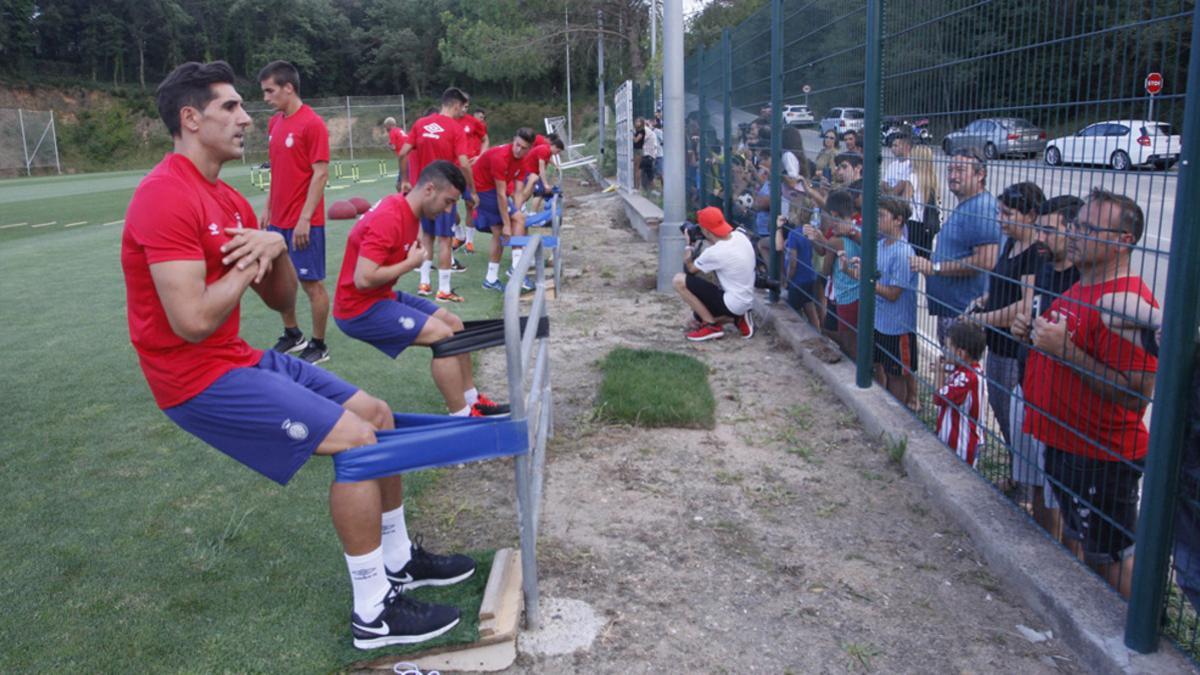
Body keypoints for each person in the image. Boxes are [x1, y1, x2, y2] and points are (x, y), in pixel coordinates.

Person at [124, 61, 473, 651]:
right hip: (193, 378)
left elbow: (279, 297)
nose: (245, 118)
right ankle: (373, 611)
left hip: (235, 356)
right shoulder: (164, 196)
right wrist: (251, 258)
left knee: (379, 415)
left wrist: (275, 246)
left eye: (245, 105)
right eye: (231, 107)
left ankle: (399, 559)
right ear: (190, 118)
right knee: (356, 441)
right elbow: (191, 322)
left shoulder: (230, 200)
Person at [1020, 188, 1159, 598]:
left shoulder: (1127, 302)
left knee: (1112, 556)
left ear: (1122, 241)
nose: (1076, 234)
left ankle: (1136, 640)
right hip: (1069, 447)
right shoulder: (1083, 287)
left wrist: (1064, 350)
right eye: (1077, 224)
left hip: (1099, 457)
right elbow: (1062, 346)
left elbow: (1136, 396)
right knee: (1093, 550)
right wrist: (1033, 334)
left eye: (1089, 228)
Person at [333, 160, 509, 418]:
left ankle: (473, 401)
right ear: (429, 189)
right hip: (358, 309)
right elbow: (363, 279)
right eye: (448, 201)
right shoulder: (389, 217)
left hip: (382, 296)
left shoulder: (409, 209)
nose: (449, 210)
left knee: (454, 323)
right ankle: (461, 417)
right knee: (442, 336)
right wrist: (409, 264)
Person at [1008, 194, 1082, 539]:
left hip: (1062, 406)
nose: (1040, 238)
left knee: (1062, 502)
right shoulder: (1044, 267)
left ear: (1075, 231)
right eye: (1039, 229)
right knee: (1037, 486)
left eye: (1049, 231)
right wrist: (1021, 326)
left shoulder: (1083, 282)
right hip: (1029, 388)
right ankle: (1044, 545)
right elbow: (1029, 312)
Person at [259, 60, 332, 364]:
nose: (266, 97)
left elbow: (320, 174)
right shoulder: (275, 123)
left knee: (310, 284)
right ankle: (293, 335)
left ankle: (319, 344)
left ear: (289, 88)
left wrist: (304, 218)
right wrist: (267, 208)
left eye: (270, 90)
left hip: (305, 222)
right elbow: (278, 171)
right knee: (281, 283)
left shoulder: (312, 123)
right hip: (278, 220)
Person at [968, 182, 1047, 445]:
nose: (1000, 220)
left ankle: (1021, 480)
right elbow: (1004, 284)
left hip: (1014, 351)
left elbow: (1025, 305)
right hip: (997, 344)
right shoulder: (1012, 243)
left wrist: (981, 319)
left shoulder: (1035, 253)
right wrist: (985, 299)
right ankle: (1014, 474)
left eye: (1008, 214)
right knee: (1001, 411)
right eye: (999, 212)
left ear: (1031, 216)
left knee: (1017, 421)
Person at [910, 149, 1001, 344]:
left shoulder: (982, 208)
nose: (952, 176)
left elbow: (986, 260)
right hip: (952, 310)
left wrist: (935, 268)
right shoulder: (968, 204)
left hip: (963, 313)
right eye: (950, 170)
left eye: (960, 170)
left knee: (958, 368)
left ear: (980, 175)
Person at [398, 88, 478, 303]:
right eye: (463, 107)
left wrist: (404, 179)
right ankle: (444, 289)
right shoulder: (456, 129)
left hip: (424, 192)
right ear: (455, 105)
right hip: (444, 195)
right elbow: (463, 162)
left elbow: (403, 152)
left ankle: (424, 283)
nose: (464, 111)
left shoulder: (420, 124)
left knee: (426, 238)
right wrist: (471, 189)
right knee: (445, 240)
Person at [846, 197, 918, 405]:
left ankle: (897, 413)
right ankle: (883, 404)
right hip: (880, 322)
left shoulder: (903, 252)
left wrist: (866, 278)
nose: (876, 220)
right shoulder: (881, 245)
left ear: (898, 220)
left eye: (881, 216)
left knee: (896, 375)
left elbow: (893, 293)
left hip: (897, 327)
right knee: (881, 367)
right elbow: (877, 274)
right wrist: (862, 267)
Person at [674, 206, 756, 341]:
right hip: (745, 299)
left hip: (732, 302)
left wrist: (689, 245)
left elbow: (689, 270)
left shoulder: (714, 252)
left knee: (678, 280)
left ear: (705, 230)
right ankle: (737, 318)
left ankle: (711, 326)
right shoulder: (740, 236)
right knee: (695, 318)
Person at [473, 129, 535, 293]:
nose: (518, 150)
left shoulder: (522, 160)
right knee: (505, 228)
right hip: (482, 189)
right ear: (513, 140)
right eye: (517, 145)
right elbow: (501, 195)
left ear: (529, 149)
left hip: (493, 189)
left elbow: (518, 191)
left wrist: (518, 207)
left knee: (511, 223)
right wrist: (508, 223)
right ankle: (515, 268)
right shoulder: (500, 157)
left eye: (523, 148)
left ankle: (491, 278)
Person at [805, 190, 859, 358]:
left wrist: (823, 242)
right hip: (853, 293)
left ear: (834, 214)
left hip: (846, 295)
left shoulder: (837, 240)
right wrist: (819, 239)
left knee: (849, 341)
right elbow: (824, 249)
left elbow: (825, 270)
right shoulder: (857, 229)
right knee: (848, 337)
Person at [934, 321, 988, 466]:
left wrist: (939, 372)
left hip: (960, 444)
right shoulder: (973, 371)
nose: (944, 350)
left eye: (948, 346)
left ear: (960, 353)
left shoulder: (966, 379)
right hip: (961, 441)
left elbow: (938, 398)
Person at [454, 107, 488, 255]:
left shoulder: (474, 123)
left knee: (470, 204)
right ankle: (459, 234)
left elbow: (486, 139)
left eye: (466, 106)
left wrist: (481, 156)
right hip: (453, 169)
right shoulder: (449, 121)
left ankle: (469, 242)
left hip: (470, 169)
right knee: (447, 204)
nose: (463, 108)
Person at [776, 214, 820, 328]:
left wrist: (787, 280)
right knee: (810, 309)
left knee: (793, 312)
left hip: (797, 280)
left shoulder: (793, 234)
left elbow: (793, 263)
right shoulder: (809, 231)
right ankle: (818, 334)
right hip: (809, 276)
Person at [908, 144, 941, 259]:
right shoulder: (932, 178)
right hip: (928, 224)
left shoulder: (912, 178)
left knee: (911, 258)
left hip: (913, 223)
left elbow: (904, 201)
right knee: (924, 258)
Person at [640, 117, 661, 194]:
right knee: (648, 173)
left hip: (648, 156)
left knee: (649, 174)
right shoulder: (650, 132)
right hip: (650, 156)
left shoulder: (647, 132)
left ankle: (651, 190)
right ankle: (649, 190)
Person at [632, 117, 646, 189]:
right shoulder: (637, 131)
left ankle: (638, 185)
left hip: (639, 150)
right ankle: (635, 185)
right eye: (636, 121)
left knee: (637, 168)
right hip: (635, 150)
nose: (637, 123)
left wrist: (632, 135)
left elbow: (636, 140)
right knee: (635, 168)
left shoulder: (642, 131)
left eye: (638, 122)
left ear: (641, 123)